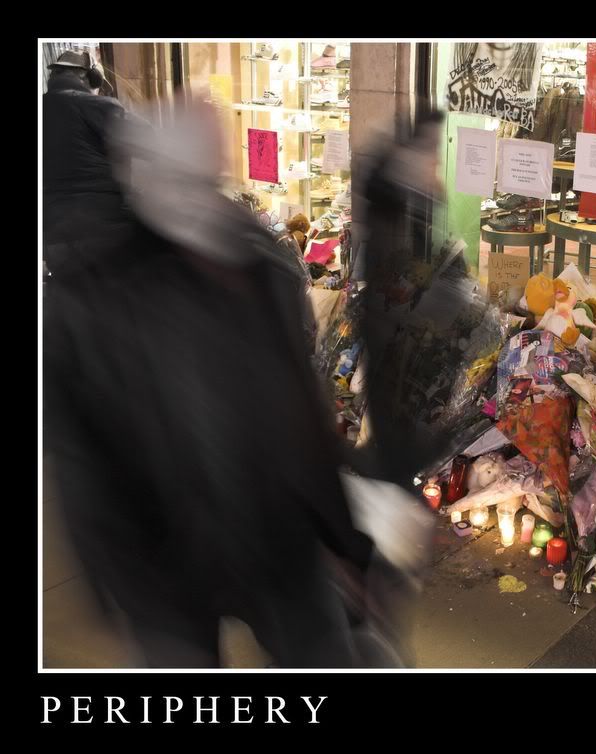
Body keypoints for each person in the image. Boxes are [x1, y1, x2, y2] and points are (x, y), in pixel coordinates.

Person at [43, 102, 400, 668]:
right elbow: (79, 458)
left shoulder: (252, 268)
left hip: (254, 550)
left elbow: (297, 418)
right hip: (179, 562)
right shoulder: (96, 297)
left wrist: (345, 542)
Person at [42, 51, 132, 272]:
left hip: (54, 234)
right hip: (103, 230)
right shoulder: (95, 105)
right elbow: (151, 141)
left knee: (70, 293)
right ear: (89, 79)